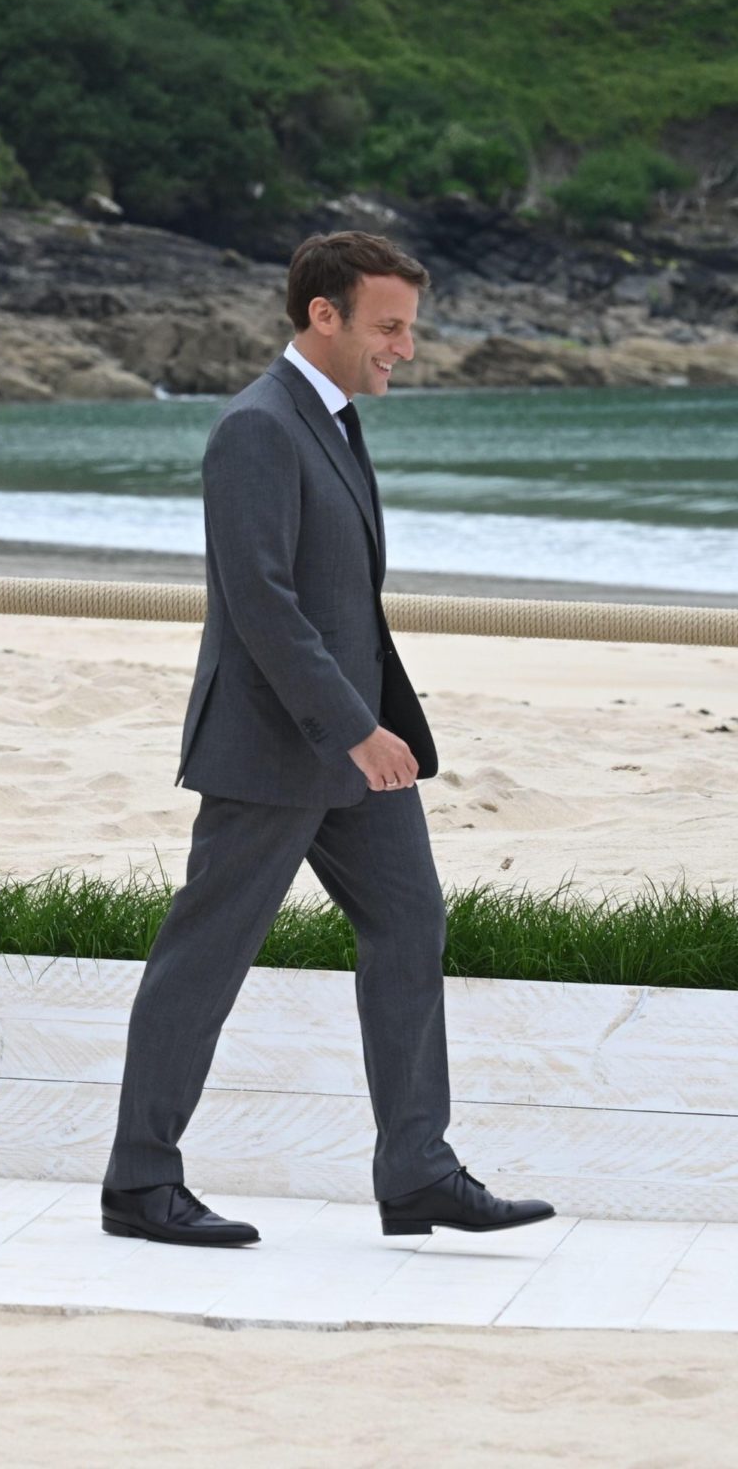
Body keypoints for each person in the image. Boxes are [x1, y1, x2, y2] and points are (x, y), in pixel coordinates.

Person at [99, 230, 554, 1246]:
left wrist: (372, 728)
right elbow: (260, 604)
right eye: (387, 328)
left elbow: (340, 599)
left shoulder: (330, 421)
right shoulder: (256, 428)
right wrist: (354, 728)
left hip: (350, 752)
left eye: (408, 329)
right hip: (275, 749)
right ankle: (139, 1183)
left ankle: (416, 1170)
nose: (404, 348)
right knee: (205, 957)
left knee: (409, 924)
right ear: (323, 316)